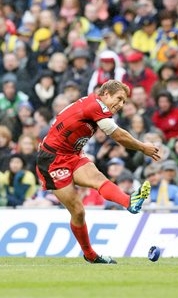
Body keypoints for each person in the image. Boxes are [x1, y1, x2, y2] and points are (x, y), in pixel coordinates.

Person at [36, 80, 159, 264]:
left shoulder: (94, 106)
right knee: (78, 211)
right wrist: (143, 147)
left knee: (98, 179)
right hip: (52, 159)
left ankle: (129, 202)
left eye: (124, 102)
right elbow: (118, 135)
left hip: (72, 153)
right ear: (106, 94)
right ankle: (90, 255)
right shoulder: (95, 106)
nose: (121, 105)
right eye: (119, 98)